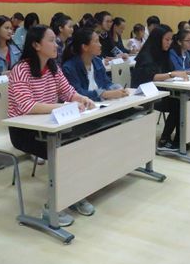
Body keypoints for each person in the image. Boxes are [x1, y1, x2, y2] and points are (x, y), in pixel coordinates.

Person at [7, 25, 95, 224]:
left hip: (51, 126)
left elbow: (68, 91)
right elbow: (27, 106)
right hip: (25, 132)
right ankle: (52, 207)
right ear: (36, 45)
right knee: (63, 152)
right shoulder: (21, 70)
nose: (56, 44)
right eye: (50, 40)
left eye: (55, 40)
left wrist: (81, 99)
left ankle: (72, 195)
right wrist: (61, 107)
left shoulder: (53, 67)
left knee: (78, 145)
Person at [132, 25, 190, 152]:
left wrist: (187, 73)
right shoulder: (146, 55)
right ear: (157, 39)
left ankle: (179, 140)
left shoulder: (164, 53)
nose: (169, 42)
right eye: (166, 39)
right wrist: (171, 74)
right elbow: (151, 77)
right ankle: (164, 140)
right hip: (145, 94)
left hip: (160, 91)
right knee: (178, 104)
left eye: (170, 39)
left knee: (184, 102)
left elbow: (171, 71)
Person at [62, 28, 129, 101]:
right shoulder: (69, 67)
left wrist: (117, 88)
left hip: (102, 103)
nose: (100, 45)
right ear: (85, 47)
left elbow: (106, 82)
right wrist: (103, 94)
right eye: (96, 41)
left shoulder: (98, 62)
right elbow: (76, 93)